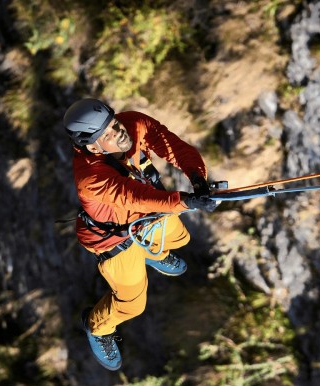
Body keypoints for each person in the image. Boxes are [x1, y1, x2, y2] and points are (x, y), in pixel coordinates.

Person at [63, 98, 218, 370]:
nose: (118, 130)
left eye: (113, 121)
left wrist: (197, 178)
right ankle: (96, 327)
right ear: (92, 147)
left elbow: (173, 146)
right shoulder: (91, 178)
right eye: (108, 133)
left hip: (147, 216)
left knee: (180, 238)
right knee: (132, 304)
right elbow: (136, 197)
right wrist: (186, 202)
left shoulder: (134, 124)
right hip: (115, 241)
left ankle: (150, 252)